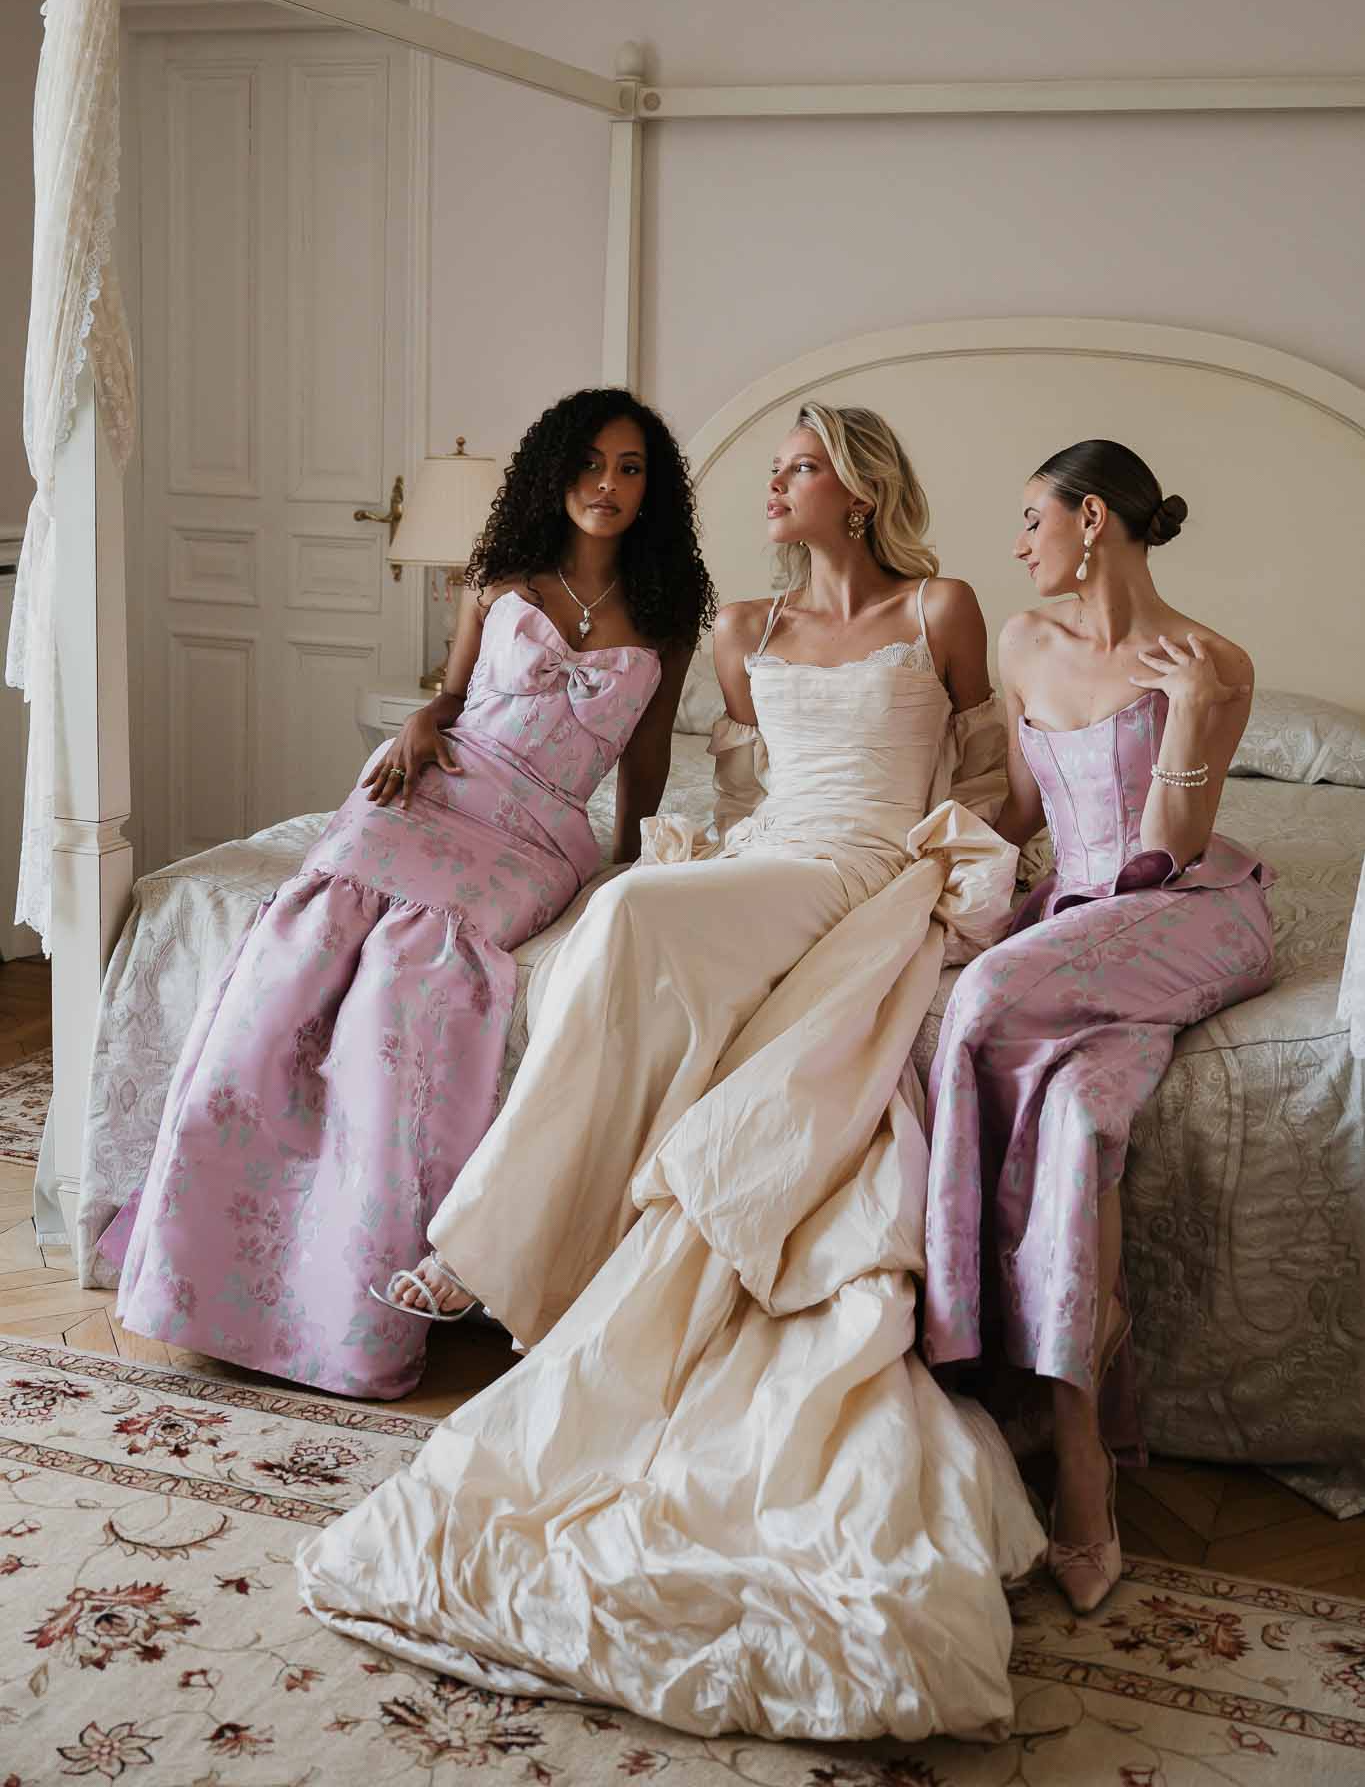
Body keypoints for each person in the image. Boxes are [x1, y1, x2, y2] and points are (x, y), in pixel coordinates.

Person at [296, 405, 1047, 1744]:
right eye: (775, 469)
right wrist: (685, 851)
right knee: (636, 908)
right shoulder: (748, 631)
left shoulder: (945, 607)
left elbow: (988, 775)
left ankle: (485, 1240)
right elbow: (747, 782)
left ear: (862, 493)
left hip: (868, 865)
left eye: (801, 469)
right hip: (773, 856)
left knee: (631, 916)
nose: (775, 484)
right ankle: (551, 1233)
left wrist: (1007, 874)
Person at [103, 389, 712, 1399]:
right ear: (557, 473)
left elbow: (645, 761)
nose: (610, 485)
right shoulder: (500, 575)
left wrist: (626, 864)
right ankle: (205, 1279)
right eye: (593, 464)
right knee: (299, 943)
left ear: (654, 488)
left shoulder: (666, 616)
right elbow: (454, 691)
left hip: (536, 830)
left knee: (406, 981)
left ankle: (353, 1312)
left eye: (633, 467)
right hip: (436, 781)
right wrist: (424, 723)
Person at [922, 438, 1275, 1613]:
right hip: (1071, 918)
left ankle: (961, 1332)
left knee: (976, 1003)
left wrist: (1188, 712)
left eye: (1034, 515)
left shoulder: (1216, 660)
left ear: (1094, 519)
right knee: (1077, 1112)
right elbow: (1022, 809)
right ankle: (1085, 1454)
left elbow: (1168, 849)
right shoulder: (1023, 642)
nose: (1019, 542)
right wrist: (915, 843)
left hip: (1186, 911)